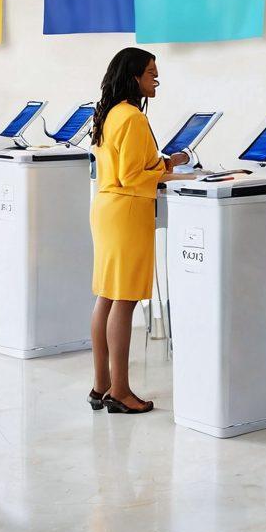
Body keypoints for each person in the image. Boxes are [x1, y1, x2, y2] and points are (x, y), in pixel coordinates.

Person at [87, 48, 191, 415]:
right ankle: (120, 391)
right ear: (134, 77)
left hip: (108, 207)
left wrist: (165, 162)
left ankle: (101, 385)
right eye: (150, 73)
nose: (156, 78)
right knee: (126, 299)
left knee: (107, 296)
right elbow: (133, 176)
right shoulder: (132, 117)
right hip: (127, 211)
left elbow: (125, 165)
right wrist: (172, 175)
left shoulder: (110, 114)